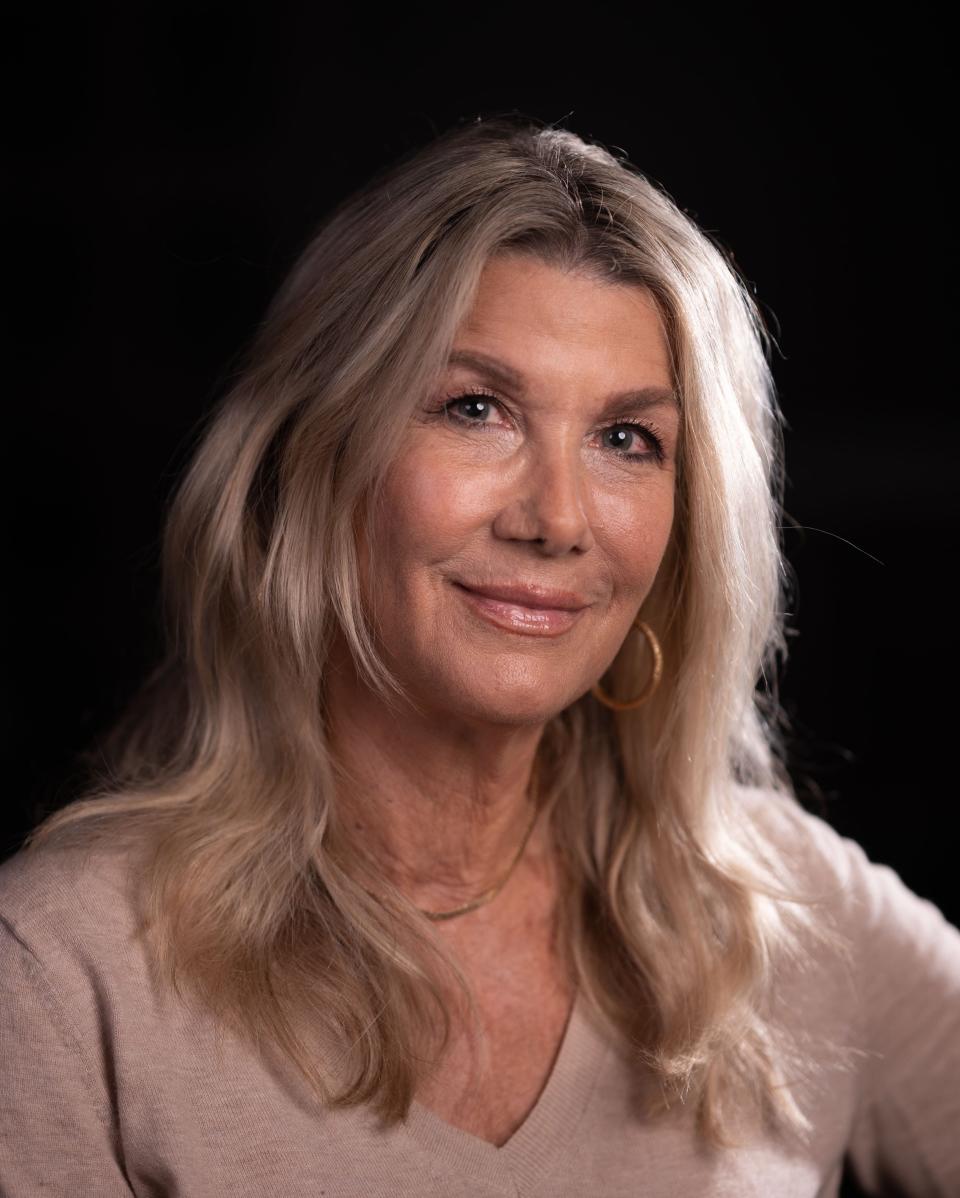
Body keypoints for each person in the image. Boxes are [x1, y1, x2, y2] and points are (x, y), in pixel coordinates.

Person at [1, 113, 958, 1198]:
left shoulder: (782, 908)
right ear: (312, 459)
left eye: (626, 439)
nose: (557, 517)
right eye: (476, 409)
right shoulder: (61, 975)